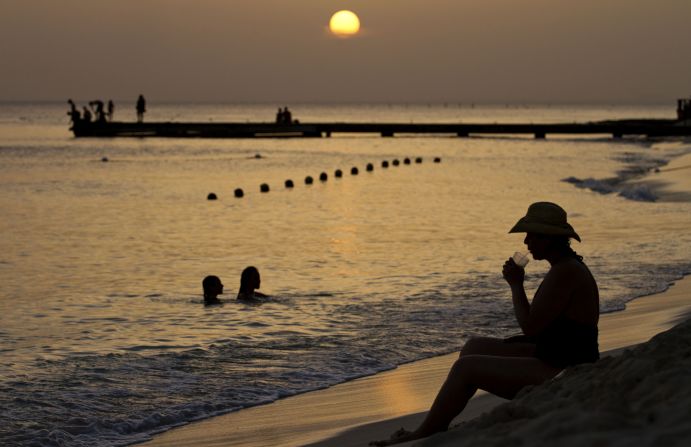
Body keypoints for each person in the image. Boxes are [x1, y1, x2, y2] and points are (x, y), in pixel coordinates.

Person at [371, 202, 599, 446]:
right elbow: (542, 329)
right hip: (556, 354)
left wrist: (515, 285)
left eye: (531, 236)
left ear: (550, 238)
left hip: (566, 369)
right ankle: (438, 422)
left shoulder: (564, 272)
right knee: (474, 346)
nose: (526, 242)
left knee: (465, 368)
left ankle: (426, 431)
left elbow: (531, 327)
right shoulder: (565, 267)